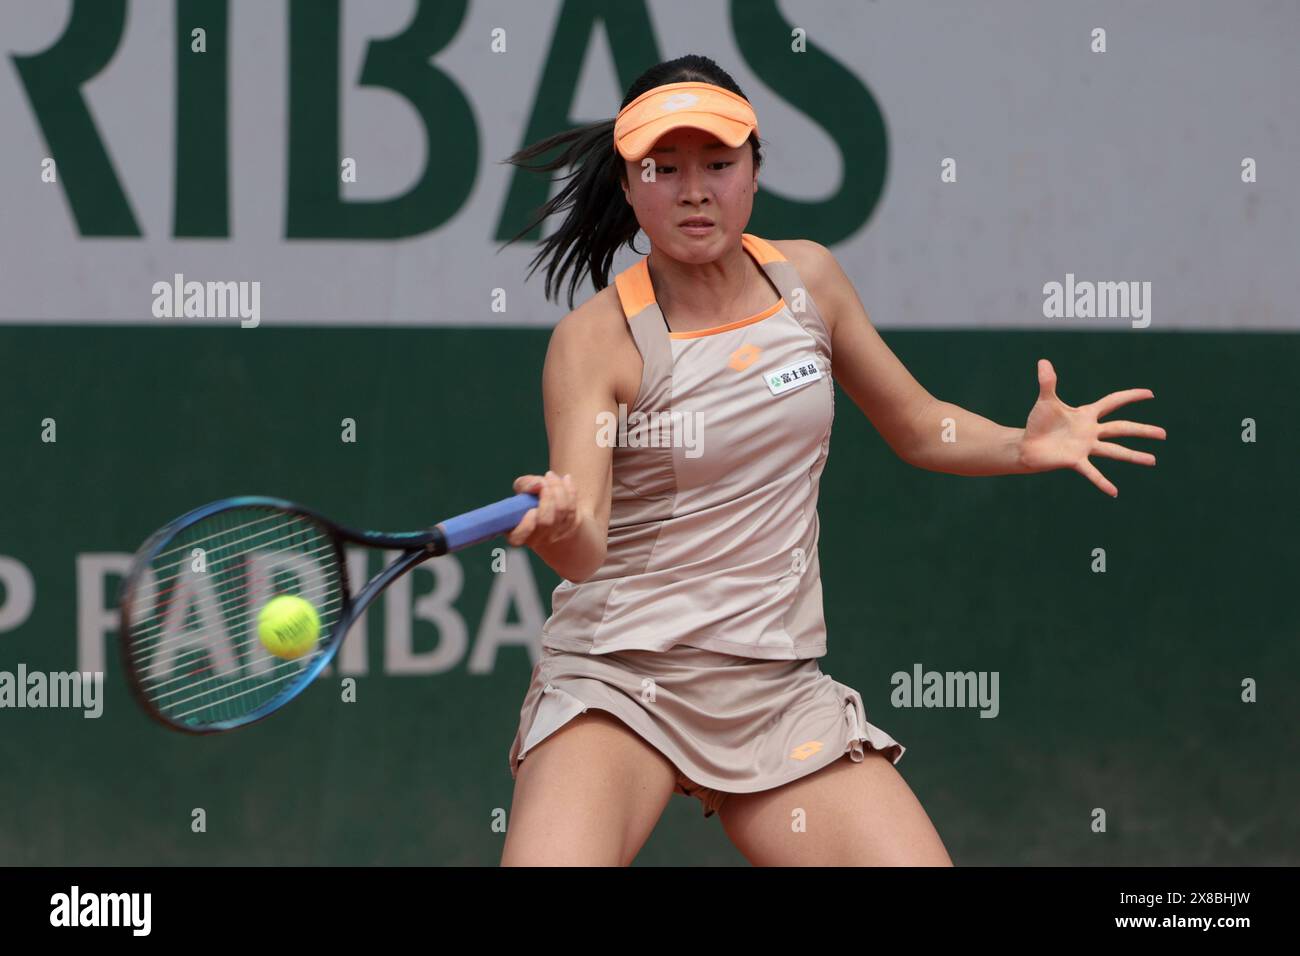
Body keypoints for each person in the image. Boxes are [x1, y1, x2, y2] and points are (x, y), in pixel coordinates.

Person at [495, 55, 1164, 866]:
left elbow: (918, 425)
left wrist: (1023, 447)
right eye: (662, 169)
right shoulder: (594, 342)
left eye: (718, 164)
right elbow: (586, 540)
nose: (694, 189)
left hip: (773, 690)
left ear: (754, 171)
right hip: (618, 683)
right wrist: (561, 522)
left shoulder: (807, 281)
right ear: (631, 185)